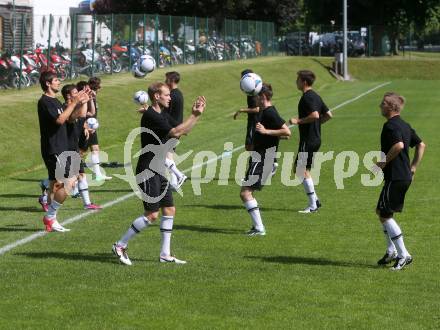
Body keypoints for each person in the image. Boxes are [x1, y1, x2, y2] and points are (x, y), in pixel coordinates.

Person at [112, 82, 206, 266]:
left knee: (169, 210)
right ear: (156, 96)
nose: (170, 97)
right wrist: (194, 115)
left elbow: (182, 132)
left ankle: (165, 254)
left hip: (159, 170)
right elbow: (176, 131)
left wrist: (195, 116)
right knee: (152, 214)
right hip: (147, 171)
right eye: (167, 94)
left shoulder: (162, 114)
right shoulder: (151, 115)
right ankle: (120, 245)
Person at [374, 92, 425, 271]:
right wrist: (413, 167)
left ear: (390, 106)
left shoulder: (391, 126)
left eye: (382, 104)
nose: (380, 106)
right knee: (382, 212)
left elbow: (399, 146)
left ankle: (403, 255)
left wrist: (382, 162)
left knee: (385, 215)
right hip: (403, 176)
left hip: (395, 176)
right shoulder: (405, 125)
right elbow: (421, 145)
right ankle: (391, 251)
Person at [37, 71, 88, 232]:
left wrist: (81, 102)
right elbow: (59, 120)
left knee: (54, 186)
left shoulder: (56, 101)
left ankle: (52, 221)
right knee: (70, 182)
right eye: (56, 80)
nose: (59, 82)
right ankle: (50, 216)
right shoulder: (45, 102)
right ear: (48, 83)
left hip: (62, 147)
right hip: (53, 147)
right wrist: (73, 102)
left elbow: (70, 118)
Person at [240, 83, 291, 236]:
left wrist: (266, 131)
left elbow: (287, 131)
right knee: (247, 192)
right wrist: (256, 143)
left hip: (263, 158)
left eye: (256, 97)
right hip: (260, 155)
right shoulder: (264, 112)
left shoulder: (270, 112)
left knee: (245, 193)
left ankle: (259, 228)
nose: (255, 100)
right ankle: (258, 228)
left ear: (262, 97)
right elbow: (283, 136)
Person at [289, 70, 332, 213]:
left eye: (298, 79)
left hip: (308, 139)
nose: (296, 82)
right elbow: (328, 115)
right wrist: (316, 126)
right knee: (303, 169)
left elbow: (315, 115)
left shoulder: (308, 97)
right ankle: (315, 201)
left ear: (304, 82)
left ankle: (313, 205)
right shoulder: (316, 96)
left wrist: (299, 121)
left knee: (300, 170)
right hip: (315, 138)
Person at [61, 84, 102, 210]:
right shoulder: (66, 107)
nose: (77, 93)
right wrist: (84, 99)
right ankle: (45, 196)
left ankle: (87, 204)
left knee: (80, 175)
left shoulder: (75, 105)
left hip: (74, 144)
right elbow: (74, 116)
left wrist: (86, 99)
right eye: (75, 92)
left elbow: (83, 116)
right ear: (68, 95)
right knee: (67, 180)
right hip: (66, 146)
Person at [78, 78, 112, 181]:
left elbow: (92, 113)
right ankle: (64, 175)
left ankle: (98, 175)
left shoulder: (91, 96)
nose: (101, 87)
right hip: (85, 128)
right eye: (99, 85)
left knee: (95, 149)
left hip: (91, 128)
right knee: (80, 153)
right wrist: (87, 125)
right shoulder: (84, 98)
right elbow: (86, 114)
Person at [163, 71, 187, 190]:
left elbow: (167, 114)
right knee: (168, 155)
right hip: (175, 128)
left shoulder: (172, 95)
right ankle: (174, 181)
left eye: (166, 79)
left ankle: (179, 176)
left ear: (171, 80)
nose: (164, 81)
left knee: (161, 156)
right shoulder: (178, 93)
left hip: (171, 129)